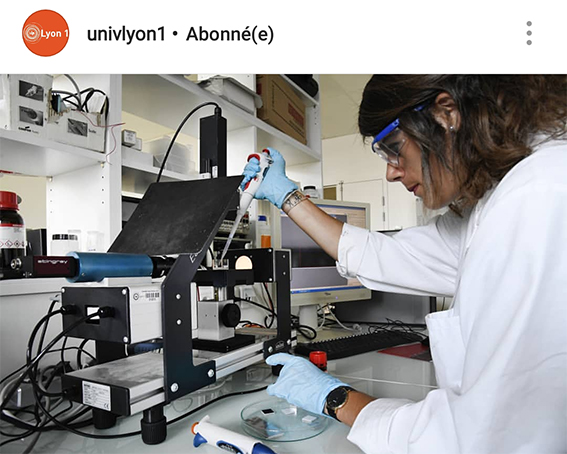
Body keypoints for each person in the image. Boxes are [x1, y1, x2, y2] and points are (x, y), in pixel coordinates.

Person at [241, 75, 567, 454]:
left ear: (447, 113)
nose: (391, 172)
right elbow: (387, 254)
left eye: (393, 147)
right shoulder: (501, 199)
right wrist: (287, 196)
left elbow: (480, 439)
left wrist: (336, 399)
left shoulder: (538, 197)